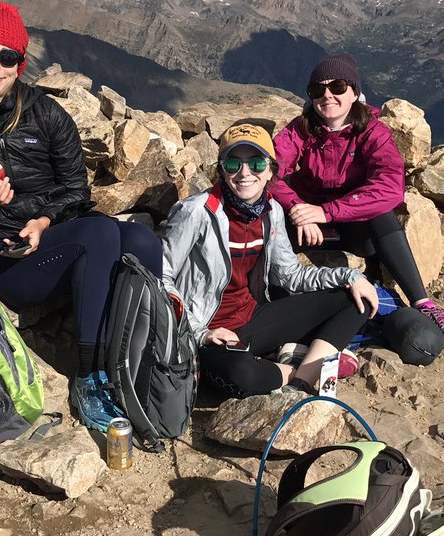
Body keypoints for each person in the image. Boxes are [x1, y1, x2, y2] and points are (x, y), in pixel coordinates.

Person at [0, 0, 162, 422]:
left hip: (52, 238)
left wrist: (40, 221)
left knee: (142, 239)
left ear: (21, 63)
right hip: (3, 255)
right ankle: (90, 377)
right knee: (99, 235)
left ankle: (144, 361)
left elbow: (77, 190)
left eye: (8, 56)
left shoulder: (47, 115)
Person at [161, 123, 379, 398]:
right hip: (211, 331)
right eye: (232, 163)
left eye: (256, 163)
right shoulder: (195, 212)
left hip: (253, 319)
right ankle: (299, 368)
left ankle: (302, 377)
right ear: (221, 170)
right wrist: (201, 332)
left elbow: (290, 275)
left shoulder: (272, 210)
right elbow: (162, 279)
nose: (244, 173)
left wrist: (350, 277)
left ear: (271, 171)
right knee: (239, 376)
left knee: (357, 300)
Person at [270, 53, 444, 347]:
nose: (327, 96)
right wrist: (297, 208)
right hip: (306, 224)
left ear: (354, 92)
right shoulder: (301, 128)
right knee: (267, 218)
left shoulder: (373, 131)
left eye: (337, 87)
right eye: (317, 91)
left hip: (354, 227)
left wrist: (326, 212)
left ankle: (424, 305)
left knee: (383, 217)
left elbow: (389, 188)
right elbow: (267, 171)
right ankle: (271, 315)